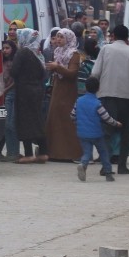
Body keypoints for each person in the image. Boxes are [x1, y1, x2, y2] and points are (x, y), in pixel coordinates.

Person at [89, 25, 129, 174]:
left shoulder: (105, 50)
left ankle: (105, 165)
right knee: (125, 131)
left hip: (107, 95)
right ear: (127, 38)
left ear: (113, 35)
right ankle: (122, 165)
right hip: (128, 97)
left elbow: (95, 72)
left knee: (107, 130)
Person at [71, 76, 120, 182]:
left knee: (87, 153)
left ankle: (83, 164)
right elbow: (106, 117)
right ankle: (108, 173)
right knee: (103, 152)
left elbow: (72, 115)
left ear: (85, 87)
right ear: (98, 88)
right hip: (97, 134)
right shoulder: (97, 104)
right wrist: (116, 123)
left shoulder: (79, 101)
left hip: (82, 133)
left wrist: (77, 124)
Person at [44, 28, 83, 161]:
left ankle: (71, 153)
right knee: (54, 119)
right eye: (57, 37)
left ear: (69, 39)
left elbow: (72, 73)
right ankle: (54, 153)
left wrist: (57, 67)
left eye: (62, 37)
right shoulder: (57, 51)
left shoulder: (74, 54)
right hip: (57, 88)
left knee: (67, 120)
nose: (59, 39)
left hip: (68, 91)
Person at [10, 29, 47, 163]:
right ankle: (43, 153)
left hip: (24, 91)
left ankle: (28, 154)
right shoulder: (38, 53)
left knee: (24, 120)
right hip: (37, 90)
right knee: (37, 119)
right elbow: (43, 74)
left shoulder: (23, 52)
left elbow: (14, 71)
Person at [0, 39, 18, 161]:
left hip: (9, 95)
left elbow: (14, 81)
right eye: (3, 48)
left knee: (8, 124)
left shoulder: (14, 63)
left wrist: (5, 90)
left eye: (7, 48)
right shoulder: (0, 62)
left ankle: (12, 152)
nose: (5, 50)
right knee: (1, 122)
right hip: (0, 97)